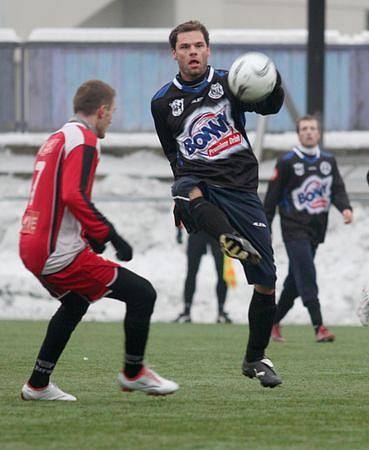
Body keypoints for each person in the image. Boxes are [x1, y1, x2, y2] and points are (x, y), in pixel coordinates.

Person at [19, 79, 178, 401]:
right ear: (102, 111)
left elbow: (58, 195)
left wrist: (90, 234)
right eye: (112, 113)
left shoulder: (57, 137)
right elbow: (72, 194)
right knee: (142, 294)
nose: (111, 119)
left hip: (31, 242)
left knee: (75, 303)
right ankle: (133, 373)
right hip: (56, 251)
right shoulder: (85, 139)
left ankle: (38, 384)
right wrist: (110, 234)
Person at [151, 21, 284, 388]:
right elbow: (172, 153)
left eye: (198, 45)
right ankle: (228, 237)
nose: (192, 52)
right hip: (197, 180)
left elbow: (270, 107)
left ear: (208, 50)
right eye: (185, 47)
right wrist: (181, 194)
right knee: (188, 191)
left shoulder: (232, 82)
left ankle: (255, 359)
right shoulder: (162, 102)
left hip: (240, 187)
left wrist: (272, 83)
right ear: (174, 53)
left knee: (267, 280)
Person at [264, 115, 353, 343]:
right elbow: (271, 198)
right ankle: (319, 326)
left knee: (295, 280)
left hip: (316, 229)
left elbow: (337, 189)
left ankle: (271, 322)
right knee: (307, 273)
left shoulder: (328, 161)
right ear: (298, 133)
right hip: (293, 228)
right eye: (304, 129)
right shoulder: (287, 162)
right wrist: (266, 227)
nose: (309, 132)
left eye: (313, 128)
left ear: (319, 133)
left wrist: (345, 209)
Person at [174, 228, 231, 324]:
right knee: (191, 272)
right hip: (198, 229)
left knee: (222, 273)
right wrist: (179, 230)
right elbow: (180, 212)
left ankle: (221, 311)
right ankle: (187, 311)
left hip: (216, 231)